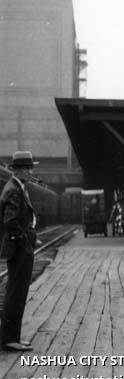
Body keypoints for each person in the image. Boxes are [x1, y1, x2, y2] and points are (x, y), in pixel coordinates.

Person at [1, 151, 39, 352]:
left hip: (20, 248)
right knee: (16, 293)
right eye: (28, 168)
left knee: (18, 293)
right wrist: (24, 240)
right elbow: (11, 222)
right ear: (19, 170)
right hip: (19, 249)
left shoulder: (16, 187)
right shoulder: (14, 190)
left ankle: (12, 337)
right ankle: (9, 339)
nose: (31, 172)